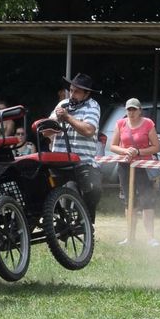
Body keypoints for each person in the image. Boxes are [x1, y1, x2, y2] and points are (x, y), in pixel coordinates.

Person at [49, 73, 102, 224]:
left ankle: (86, 223)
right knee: (54, 192)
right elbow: (46, 131)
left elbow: (88, 130)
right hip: (59, 161)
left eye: (77, 91)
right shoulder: (62, 105)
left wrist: (68, 118)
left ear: (87, 93)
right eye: (71, 90)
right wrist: (55, 121)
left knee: (94, 189)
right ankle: (61, 222)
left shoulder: (93, 106)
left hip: (83, 161)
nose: (72, 94)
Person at [109, 98, 160, 247]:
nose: (131, 112)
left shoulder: (148, 124)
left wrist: (138, 151)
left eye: (134, 109)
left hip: (143, 166)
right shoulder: (120, 123)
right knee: (128, 200)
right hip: (125, 166)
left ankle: (151, 238)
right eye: (129, 109)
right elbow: (113, 146)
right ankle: (130, 237)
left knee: (147, 200)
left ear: (140, 110)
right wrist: (126, 151)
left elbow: (156, 147)